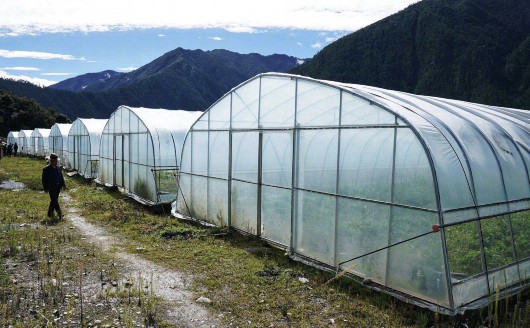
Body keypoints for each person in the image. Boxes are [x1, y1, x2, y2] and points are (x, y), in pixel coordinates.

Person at [42, 153, 66, 219]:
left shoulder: (58, 168)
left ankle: (50, 213)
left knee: (53, 200)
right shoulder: (46, 169)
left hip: (58, 187)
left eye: (56, 161)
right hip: (51, 187)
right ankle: (60, 213)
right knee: (55, 200)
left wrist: (63, 185)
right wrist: (45, 188)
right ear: (51, 161)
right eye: (54, 161)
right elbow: (44, 180)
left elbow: (61, 177)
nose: (56, 162)